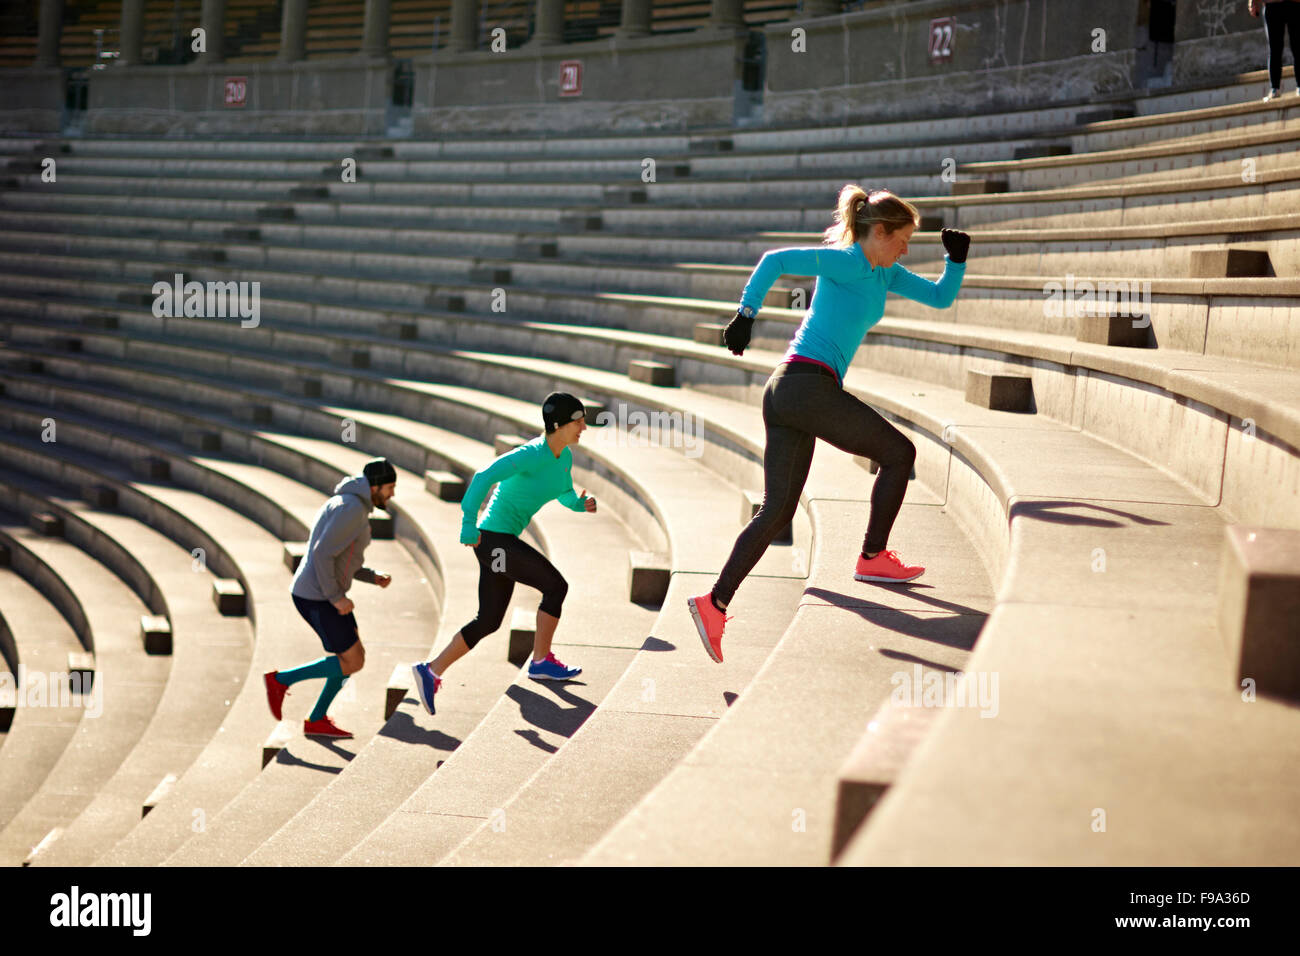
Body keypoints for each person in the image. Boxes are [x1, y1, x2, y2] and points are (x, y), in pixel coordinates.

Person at [687, 186, 970, 664]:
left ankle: (713, 604)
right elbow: (775, 260)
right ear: (877, 232)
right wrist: (745, 314)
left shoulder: (886, 272)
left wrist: (956, 261)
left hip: (790, 392)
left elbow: (941, 298)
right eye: (901, 239)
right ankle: (873, 558)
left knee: (777, 511)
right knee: (899, 454)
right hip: (806, 386)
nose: (905, 250)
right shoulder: (847, 261)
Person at [410, 393, 597, 715]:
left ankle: (431, 670)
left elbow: (563, 492)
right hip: (492, 539)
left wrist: (579, 504)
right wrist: (469, 524)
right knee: (556, 587)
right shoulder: (530, 454)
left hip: (500, 541)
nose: (584, 426)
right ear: (558, 424)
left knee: (489, 620)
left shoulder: (563, 457)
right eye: (578, 420)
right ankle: (540, 661)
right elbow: (483, 477)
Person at [264, 458, 396, 739]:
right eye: (389, 488)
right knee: (353, 660)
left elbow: (341, 560)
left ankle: (316, 719)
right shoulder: (352, 510)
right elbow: (323, 554)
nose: (392, 495)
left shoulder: (351, 504)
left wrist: (371, 576)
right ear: (375, 486)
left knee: (353, 656)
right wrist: (336, 598)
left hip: (320, 592)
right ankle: (280, 681)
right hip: (317, 596)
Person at [1250, 0, 1300, 99]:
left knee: (1298, 47)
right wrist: (1252, 2)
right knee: (1274, 49)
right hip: (1272, 5)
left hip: (1294, 4)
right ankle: (1274, 88)